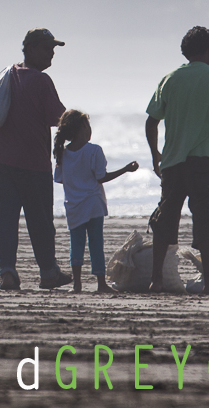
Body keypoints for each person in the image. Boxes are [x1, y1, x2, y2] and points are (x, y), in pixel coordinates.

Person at [145, 25, 209, 295]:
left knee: (166, 221)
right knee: (206, 220)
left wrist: (156, 156)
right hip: (203, 160)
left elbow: (151, 122)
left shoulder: (169, 79)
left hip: (173, 163)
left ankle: (156, 280)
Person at [0, 28, 73, 291]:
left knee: (5, 219)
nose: (51, 55)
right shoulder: (40, 80)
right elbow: (58, 118)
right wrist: (79, 123)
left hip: (2, 161)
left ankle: (7, 272)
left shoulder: (10, 74)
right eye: (48, 49)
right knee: (40, 222)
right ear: (33, 49)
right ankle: (48, 272)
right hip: (32, 164)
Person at [53, 109, 138, 293]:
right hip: (93, 204)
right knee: (96, 243)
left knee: (76, 245)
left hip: (73, 205)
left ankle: (77, 285)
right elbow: (101, 177)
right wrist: (125, 169)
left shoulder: (63, 154)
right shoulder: (94, 150)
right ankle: (101, 284)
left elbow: (59, 178)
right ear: (84, 127)